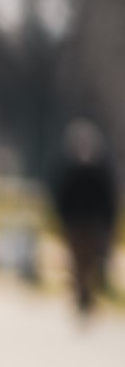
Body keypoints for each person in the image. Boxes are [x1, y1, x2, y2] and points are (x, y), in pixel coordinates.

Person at [52, 119, 117, 320]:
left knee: (90, 263)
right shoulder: (70, 171)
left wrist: (107, 224)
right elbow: (62, 197)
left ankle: (86, 295)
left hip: (91, 223)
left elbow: (108, 199)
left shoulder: (99, 172)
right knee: (78, 263)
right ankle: (82, 295)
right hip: (76, 224)